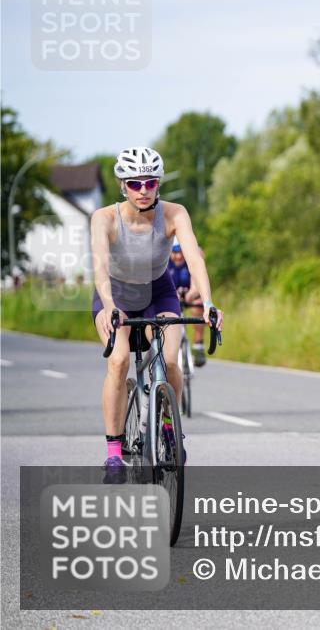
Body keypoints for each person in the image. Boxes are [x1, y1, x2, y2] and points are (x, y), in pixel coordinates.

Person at [91, 146, 224, 483]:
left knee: (170, 360)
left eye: (150, 182)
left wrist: (207, 302)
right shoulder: (105, 218)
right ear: (123, 185)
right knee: (119, 360)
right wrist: (108, 305)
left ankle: (169, 428)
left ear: (158, 183)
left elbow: (194, 257)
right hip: (116, 294)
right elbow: (100, 266)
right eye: (135, 183)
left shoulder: (174, 213)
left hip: (158, 291)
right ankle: (113, 455)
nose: (143, 190)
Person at [167, 238, 207, 367]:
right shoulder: (162, 257)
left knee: (199, 304)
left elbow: (197, 281)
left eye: (181, 252)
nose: (178, 257)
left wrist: (192, 294)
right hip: (170, 292)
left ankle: (198, 344)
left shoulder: (195, 254)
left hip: (189, 291)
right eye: (174, 252)